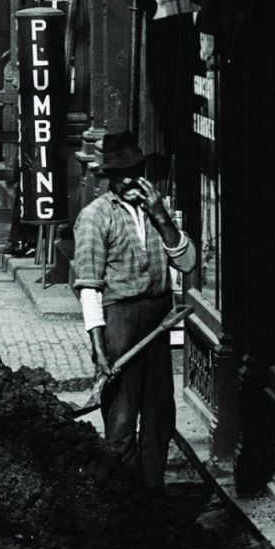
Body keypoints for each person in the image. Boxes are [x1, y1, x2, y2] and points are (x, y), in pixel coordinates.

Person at [71, 130, 197, 492]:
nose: (128, 180)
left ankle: (153, 495)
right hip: (119, 321)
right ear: (108, 177)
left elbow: (187, 263)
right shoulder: (95, 217)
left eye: (134, 171)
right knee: (122, 418)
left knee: (159, 416)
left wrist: (160, 216)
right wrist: (99, 347)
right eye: (119, 173)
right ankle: (124, 502)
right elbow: (90, 286)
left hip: (158, 316)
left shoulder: (157, 212)